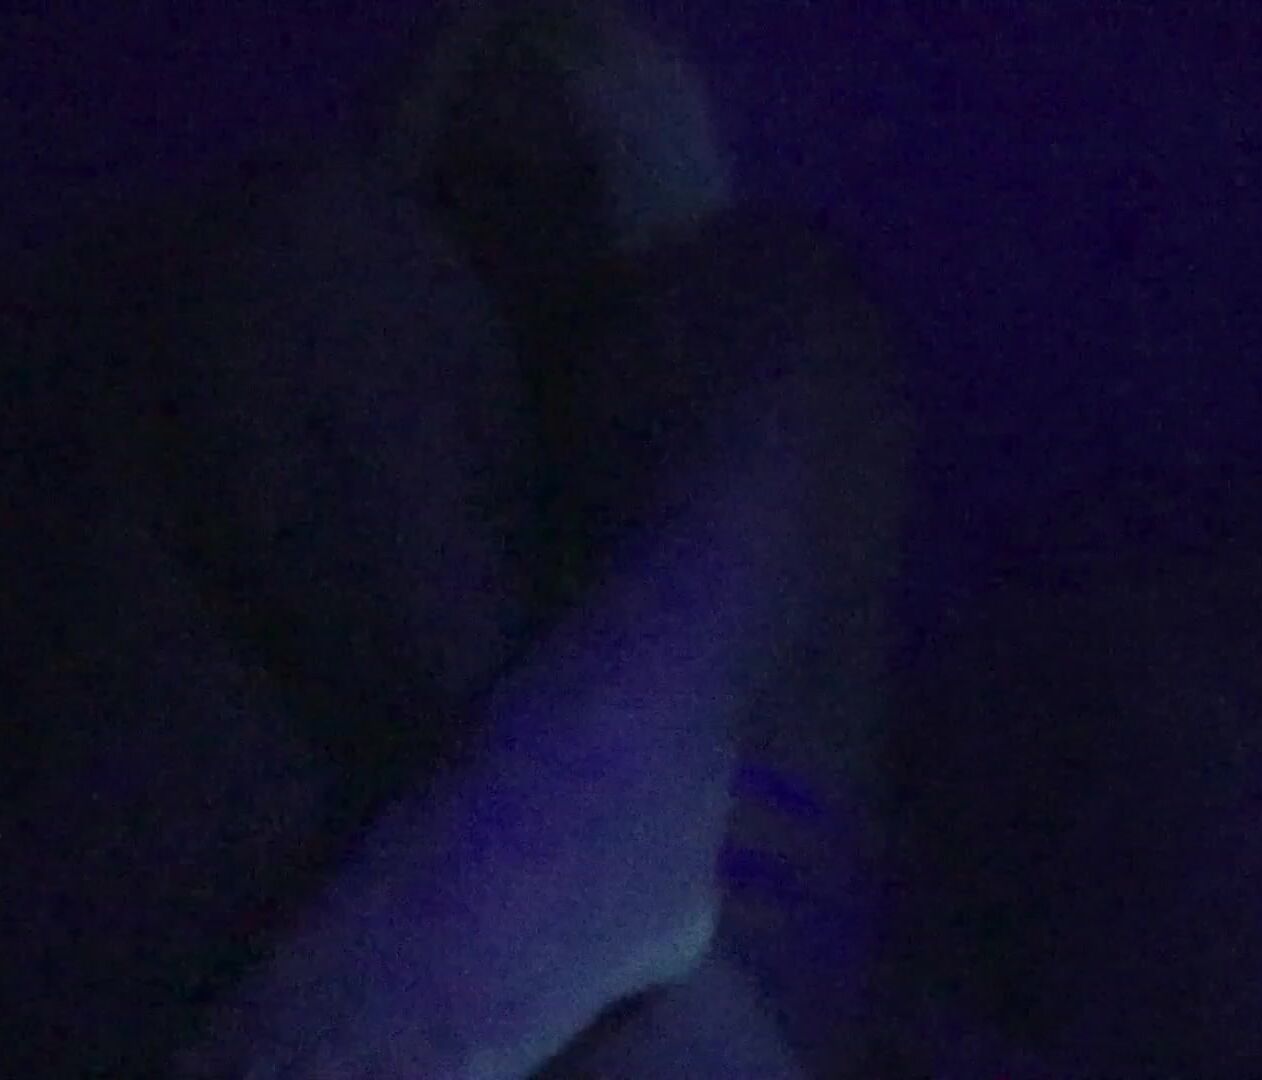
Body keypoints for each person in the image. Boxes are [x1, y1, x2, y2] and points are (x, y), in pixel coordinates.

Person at [0, 3, 907, 1075]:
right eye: (479, 184)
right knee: (287, 257)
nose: (516, 234)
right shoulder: (341, 325)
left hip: (644, 923)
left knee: (777, 322)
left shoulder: (735, 337)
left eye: (567, 182)